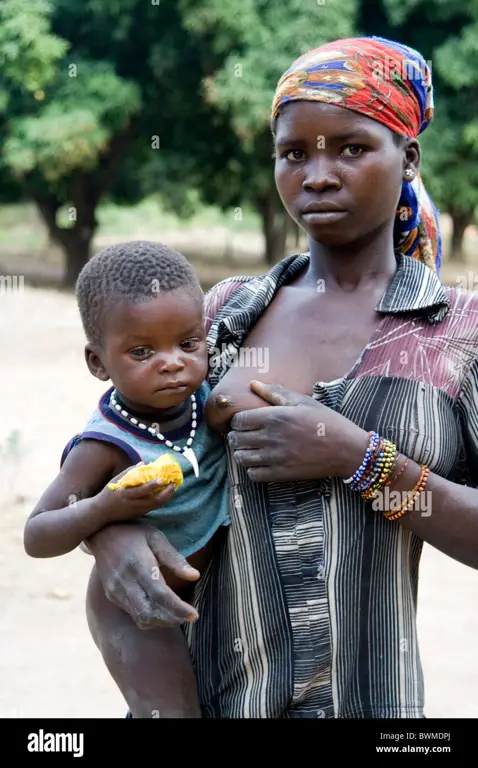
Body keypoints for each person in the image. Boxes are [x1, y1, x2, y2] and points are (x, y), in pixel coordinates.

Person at [83, 35, 478, 719]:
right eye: (294, 153)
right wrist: (109, 534)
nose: (317, 175)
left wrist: (360, 460)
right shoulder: (221, 318)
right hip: (209, 701)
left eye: (351, 148)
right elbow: (112, 455)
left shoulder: (455, 332)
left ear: (408, 157)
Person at [23, 241, 231, 718]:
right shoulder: (105, 446)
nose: (172, 361)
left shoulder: (208, 399)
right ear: (98, 362)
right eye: (142, 351)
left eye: (188, 343)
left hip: (209, 591)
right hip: (129, 602)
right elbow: (38, 533)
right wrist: (106, 509)